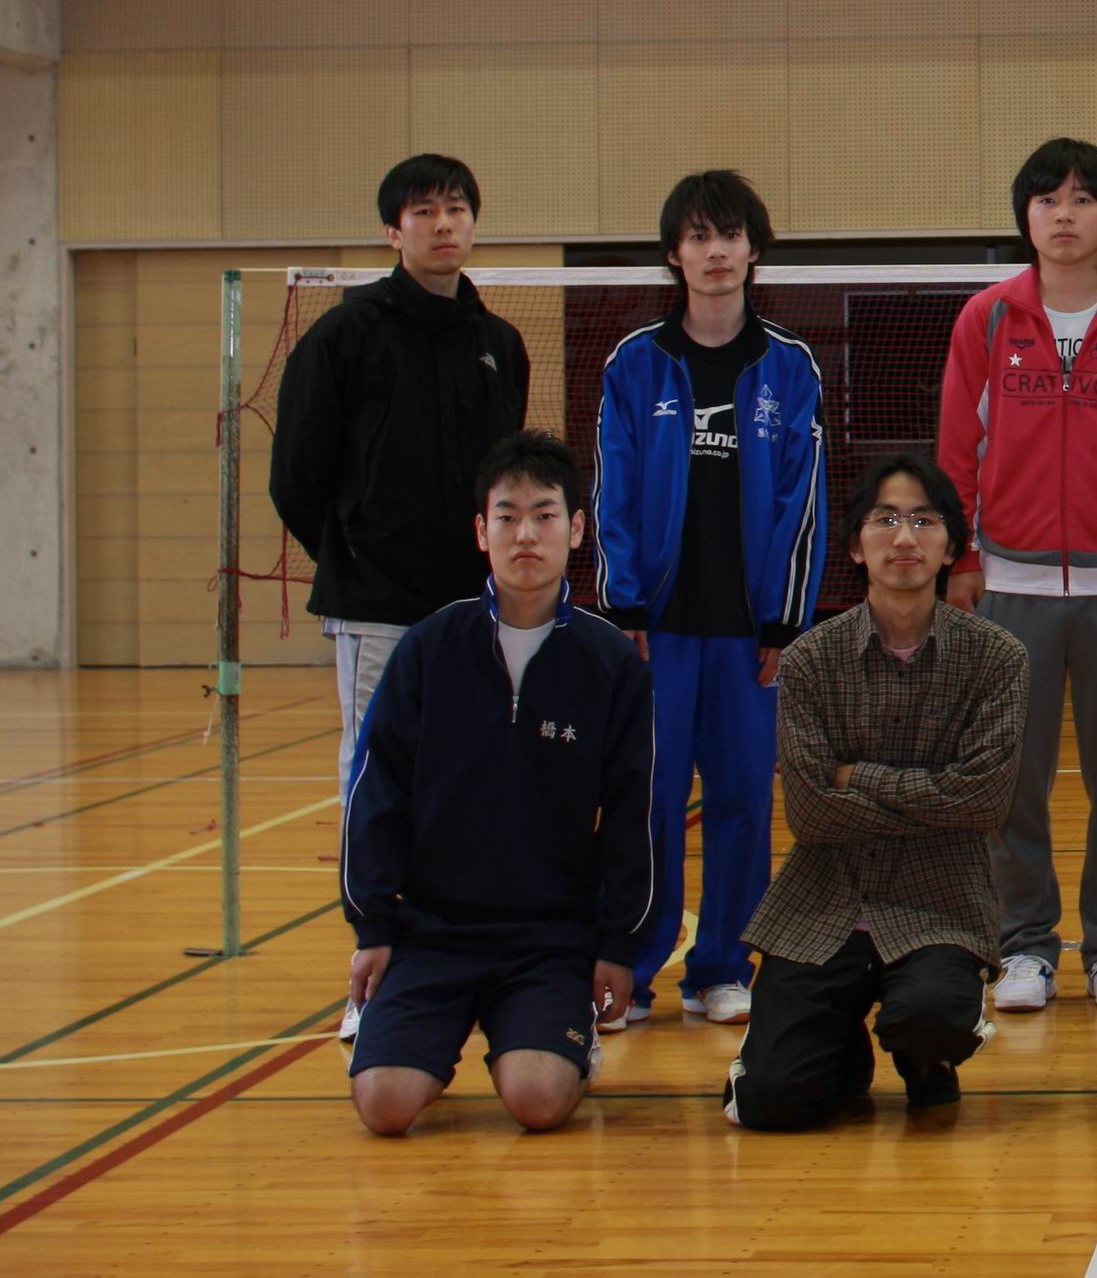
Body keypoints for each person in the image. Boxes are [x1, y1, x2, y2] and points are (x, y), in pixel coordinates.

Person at [270, 154, 530, 1040]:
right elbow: (296, 475)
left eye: (457, 208)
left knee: (474, 779)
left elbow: (508, 480)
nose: (443, 224)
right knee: (378, 780)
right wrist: (355, 556)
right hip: (377, 606)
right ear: (393, 230)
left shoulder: (498, 343)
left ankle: (470, 960)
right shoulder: (345, 336)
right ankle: (372, 971)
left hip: (478, 610)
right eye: (424, 212)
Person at [937, 138, 1097, 1016]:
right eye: (1049, 200)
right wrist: (962, 558)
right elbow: (957, 449)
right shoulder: (987, 319)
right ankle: (1023, 945)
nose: (1065, 215)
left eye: (1083, 199)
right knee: (1013, 777)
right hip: (1010, 583)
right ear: (1026, 216)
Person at [342, 431, 654, 1137]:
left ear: (577, 528)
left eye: (545, 516)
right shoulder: (429, 649)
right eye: (507, 517)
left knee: (536, 1100)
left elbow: (634, 814)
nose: (526, 535)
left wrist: (617, 945)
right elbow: (375, 794)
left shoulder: (610, 662)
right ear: (482, 531)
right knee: (384, 1105)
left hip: (549, 939)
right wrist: (374, 926)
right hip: (434, 932)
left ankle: (559, 1041)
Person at [724, 454, 1031, 1128]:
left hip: (941, 904)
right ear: (857, 546)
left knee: (929, 1018)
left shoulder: (996, 657)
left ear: (950, 545)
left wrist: (855, 775)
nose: (904, 538)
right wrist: (933, 794)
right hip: (822, 905)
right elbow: (810, 814)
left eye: (924, 520)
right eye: (885, 519)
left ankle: (929, 1055)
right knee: (771, 1102)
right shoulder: (810, 658)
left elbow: (983, 802)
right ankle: (840, 1052)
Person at [594, 169, 827, 1029]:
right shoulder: (635, 363)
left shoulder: (790, 366)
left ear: (754, 250)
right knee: (648, 802)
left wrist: (786, 618)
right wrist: (622, 606)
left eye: (730, 235)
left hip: (747, 634)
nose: (716, 251)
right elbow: (612, 488)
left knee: (741, 803)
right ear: (674, 254)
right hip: (656, 631)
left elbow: (803, 498)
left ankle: (724, 966)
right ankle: (634, 970)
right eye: (698, 236)